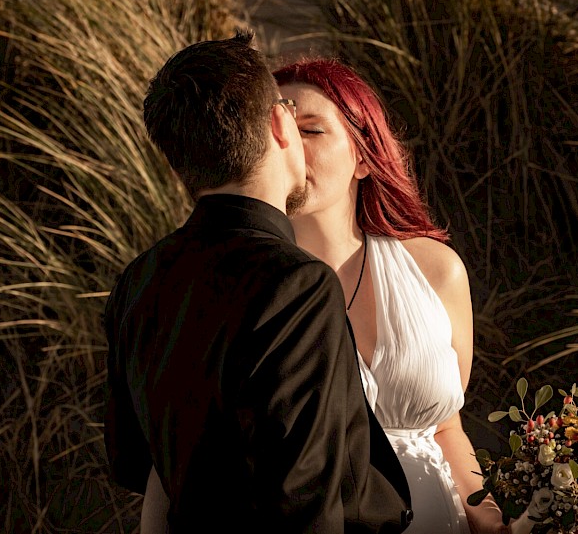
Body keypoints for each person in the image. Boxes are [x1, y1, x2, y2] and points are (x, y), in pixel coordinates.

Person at [104, 32, 414, 533]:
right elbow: (303, 500)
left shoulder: (138, 279)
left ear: (175, 160)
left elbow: (130, 461)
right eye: (290, 109)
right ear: (279, 125)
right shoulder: (297, 284)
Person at [273, 58, 510, 534]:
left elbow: (446, 429)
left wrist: (490, 518)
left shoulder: (436, 270)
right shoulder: (251, 284)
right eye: (280, 132)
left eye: (312, 130)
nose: (292, 148)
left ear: (362, 157)